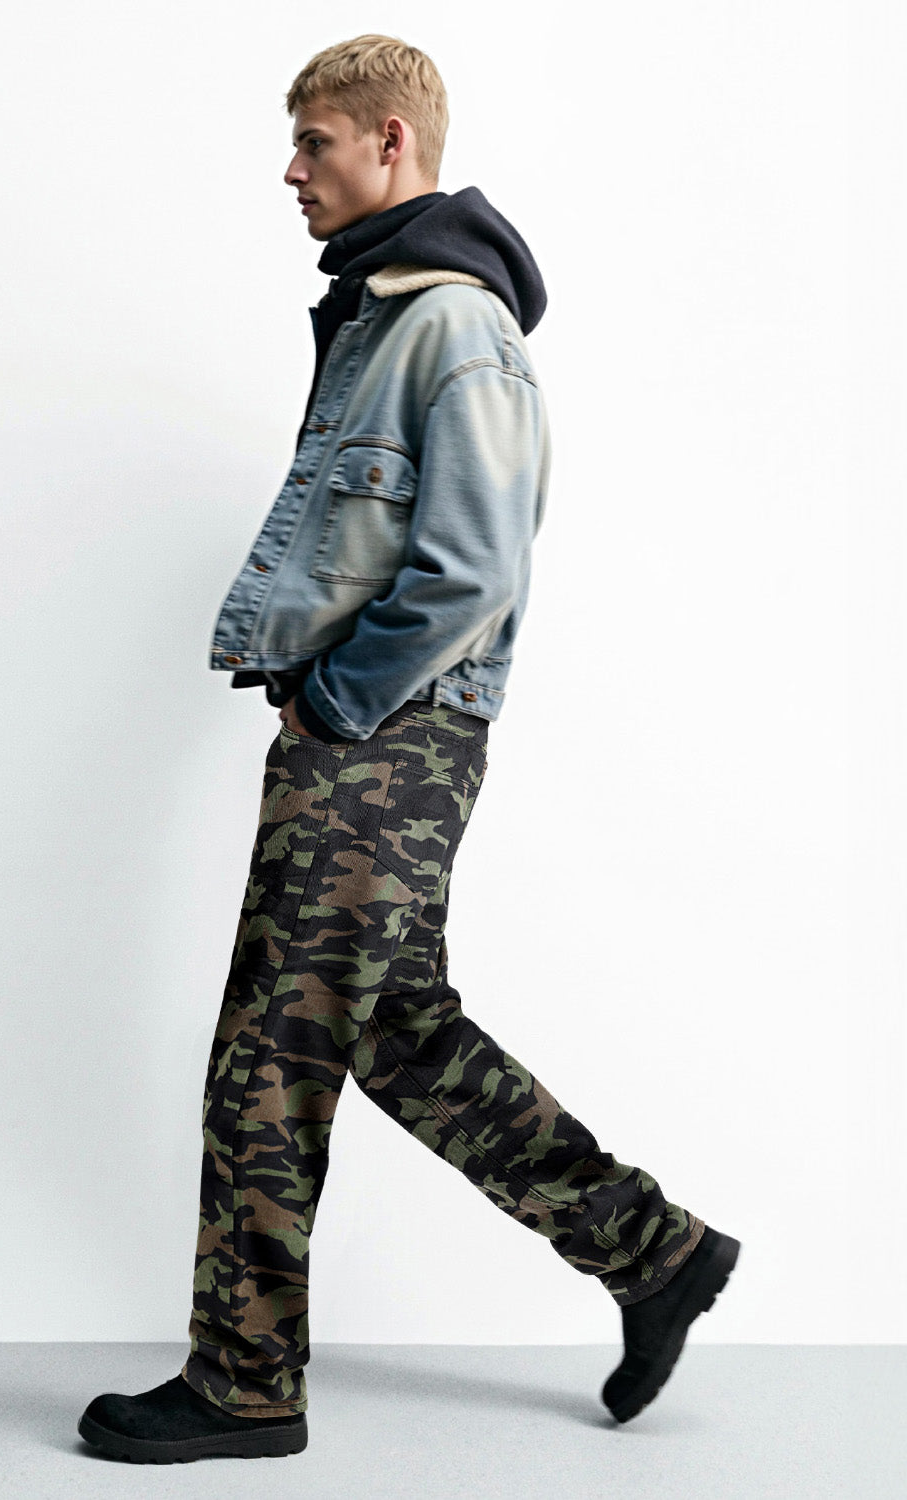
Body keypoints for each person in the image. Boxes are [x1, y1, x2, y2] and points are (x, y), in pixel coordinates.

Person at [77, 33, 740, 1465]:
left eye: (313, 142)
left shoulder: (452, 327)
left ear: (391, 141)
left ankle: (246, 1383)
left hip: (387, 736)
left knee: (274, 1047)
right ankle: (653, 1251)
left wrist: (337, 702)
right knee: (394, 1026)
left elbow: (473, 568)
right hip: (377, 735)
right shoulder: (377, 320)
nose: (291, 170)